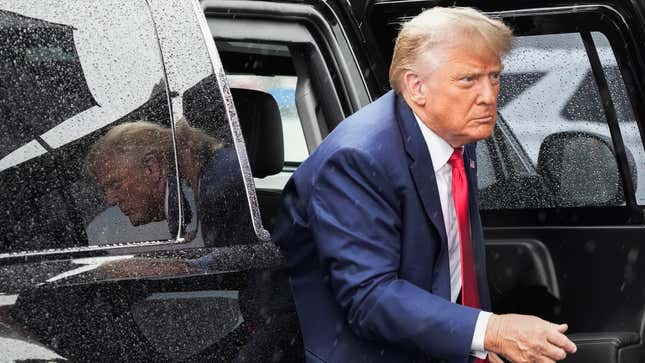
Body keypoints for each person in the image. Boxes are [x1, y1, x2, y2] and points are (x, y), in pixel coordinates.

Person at [272, 7, 577, 363]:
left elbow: (454, 258)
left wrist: (479, 343)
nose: (489, 95)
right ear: (416, 87)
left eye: (494, 77)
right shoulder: (358, 158)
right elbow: (370, 297)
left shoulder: (459, 135)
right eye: (468, 80)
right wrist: (489, 331)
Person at [85, 119, 253, 247]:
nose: (111, 200)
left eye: (115, 184)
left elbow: (243, 266)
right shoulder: (213, 177)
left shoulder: (221, 188)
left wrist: (182, 267)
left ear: (152, 167)